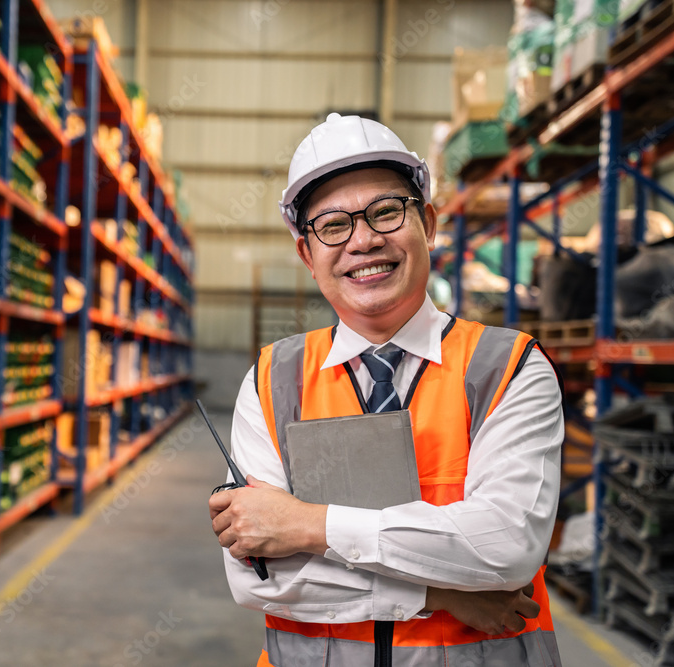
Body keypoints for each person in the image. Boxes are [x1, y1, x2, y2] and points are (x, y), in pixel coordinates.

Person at [208, 113, 564, 666]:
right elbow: (257, 578)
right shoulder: (272, 381)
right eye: (332, 225)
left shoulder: (509, 368)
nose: (364, 240)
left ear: (428, 222)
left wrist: (306, 525)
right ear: (307, 253)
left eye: (385, 212)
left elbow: (505, 547)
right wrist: (437, 593)